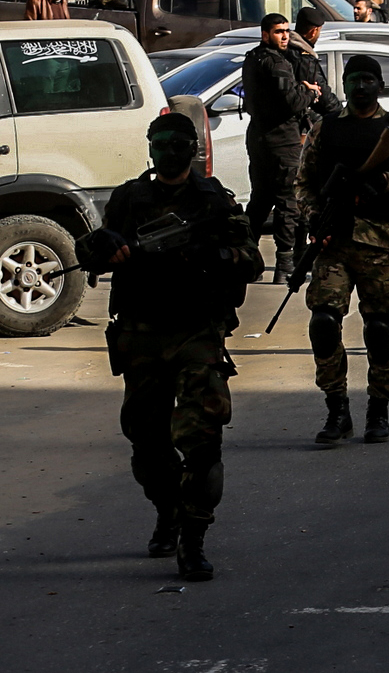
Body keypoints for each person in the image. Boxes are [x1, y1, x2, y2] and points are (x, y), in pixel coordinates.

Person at [78, 105, 260, 583]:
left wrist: (212, 254)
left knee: (202, 443)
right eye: (159, 144)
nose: (167, 153)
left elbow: (251, 259)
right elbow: (96, 249)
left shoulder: (214, 202)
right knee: (146, 442)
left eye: (177, 145)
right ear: (149, 147)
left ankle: (194, 540)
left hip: (196, 332)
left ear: (192, 150)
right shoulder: (129, 198)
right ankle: (169, 511)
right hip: (140, 334)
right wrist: (101, 249)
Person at [300, 54, 389, 447]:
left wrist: (387, 183)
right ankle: (337, 409)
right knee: (323, 322)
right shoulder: (325, 130)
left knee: (378, 329)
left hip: (380, 244)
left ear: (380, 85)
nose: (360, 87)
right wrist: (313, 217)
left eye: (367, 80)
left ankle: (379, 408)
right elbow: (303, 183)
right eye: (353, 80)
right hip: (334, 243)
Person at [238, 13, 319, 285]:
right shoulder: (275, 62)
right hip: (281, 138)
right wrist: (310, 92)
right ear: (265, 34)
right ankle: (284, 264)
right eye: (278, 32)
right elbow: (294, 102)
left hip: (259, 136)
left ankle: (245, 256)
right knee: (286, 200)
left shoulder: (253, 59)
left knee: (261, 199)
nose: (284, 36)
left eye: (286, 31)